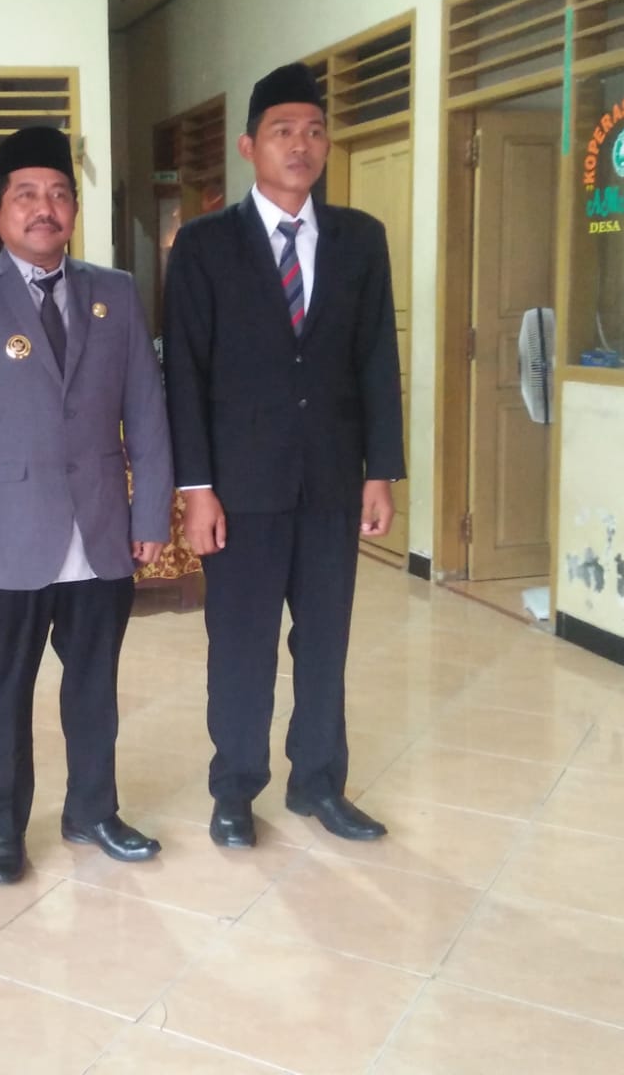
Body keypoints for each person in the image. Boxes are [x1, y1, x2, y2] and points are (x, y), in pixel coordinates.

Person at [162, 62, 405, 849]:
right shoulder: (204, 245)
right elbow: (184, 373)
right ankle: (235, 789)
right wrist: (196, 488)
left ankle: (319, 783)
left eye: (313, 131)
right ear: (249, 147)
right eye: (282, 131)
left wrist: (380, 470)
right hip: (241, 489)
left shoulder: (361, 240)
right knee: (241, 647)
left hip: (332, 481)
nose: (300, 145)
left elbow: (376, 360)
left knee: (325, 642)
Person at [0, 126, 173, 885]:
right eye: (27, 195)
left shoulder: (115, 293)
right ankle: (3, 831)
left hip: (99, 531)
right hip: (6, 541)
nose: (45, 208)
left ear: (74, 209)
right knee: (4, 691)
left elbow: (147, 411)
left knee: (94, 684)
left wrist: (149, 515)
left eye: (59, 194)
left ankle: (92, 811)